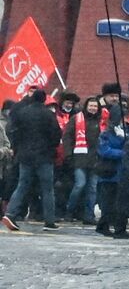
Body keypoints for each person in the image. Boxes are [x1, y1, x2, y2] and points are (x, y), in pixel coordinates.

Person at [1, 87, 61, 231]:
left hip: (25, 155)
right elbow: (56, 135)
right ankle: (49, 221)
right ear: (44, 99)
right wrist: (51, 148)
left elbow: (14, 132)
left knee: (22, 185)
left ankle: (10, 213)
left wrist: (18, 149)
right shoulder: (49, 115)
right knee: (47, 189)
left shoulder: (22, 113)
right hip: (44, 156)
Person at [61, 96, 104, 224]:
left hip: (95, 159)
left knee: (92, 188)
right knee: (80, 185)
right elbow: (67, 136)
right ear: (86, 106)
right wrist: (68, 154)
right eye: (91, 105)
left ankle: (88, 215)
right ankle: (70, 210)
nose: (93, 108)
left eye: (95, 106)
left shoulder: (101, 121)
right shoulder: (76, 119)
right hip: (79, 159)